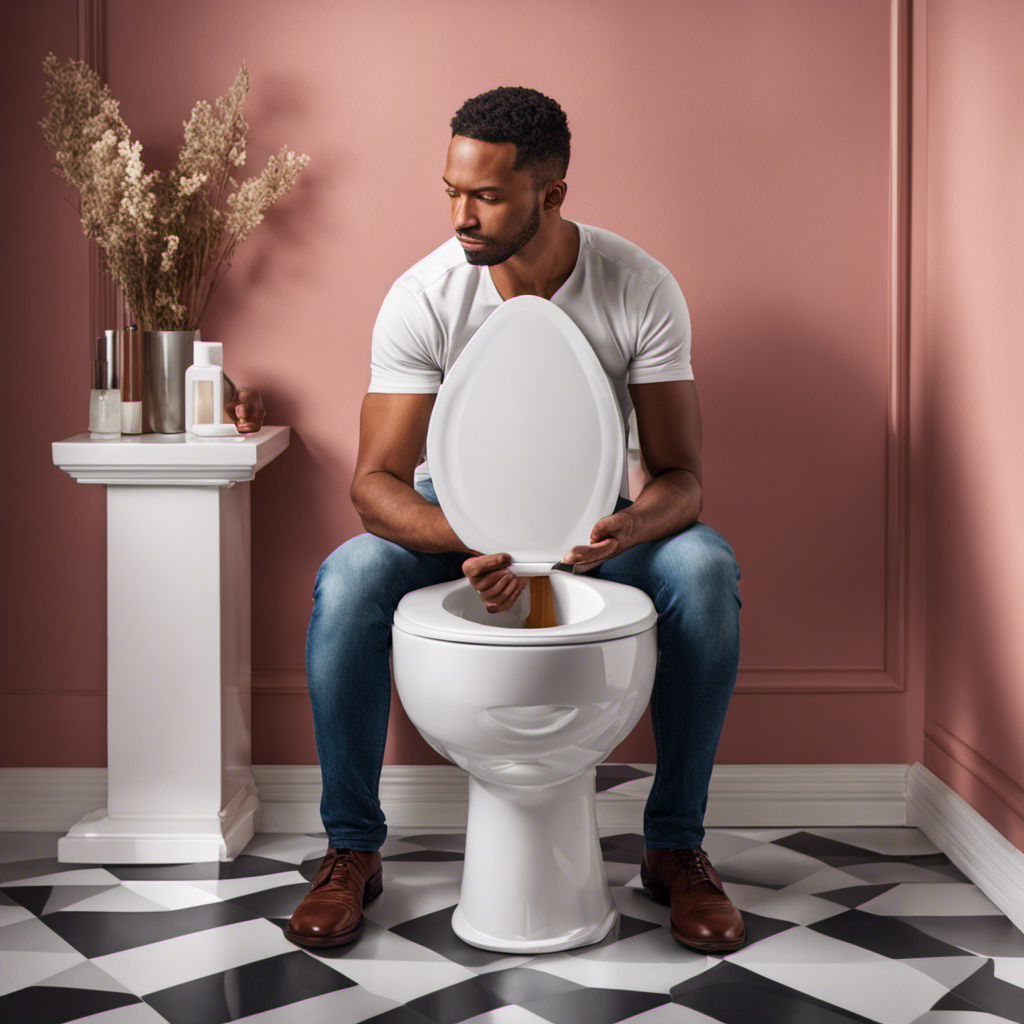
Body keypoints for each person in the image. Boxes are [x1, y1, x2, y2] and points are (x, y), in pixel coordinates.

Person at [286, 87, 745, 954]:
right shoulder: (424, 296)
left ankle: (675, 847)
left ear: (552, 194)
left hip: (596, 526)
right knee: (347, 578)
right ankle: (350, 848)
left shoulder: (637, 285)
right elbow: (374, 482)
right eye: (452, 190)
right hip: (451, 528)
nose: (461, 214)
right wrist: (462, 539)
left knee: (704, 569)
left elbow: (682, 478)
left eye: (486, 196)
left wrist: (631, 529)